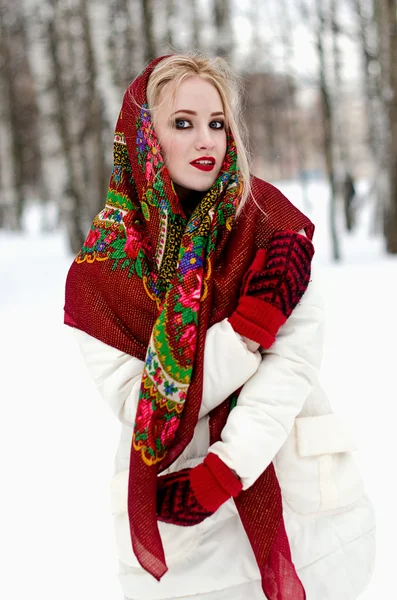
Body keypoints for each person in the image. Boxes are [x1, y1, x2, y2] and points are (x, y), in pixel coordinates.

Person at [63, 55, 371, 600]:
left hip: (305, 516)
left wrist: (225, 471)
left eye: (217, 122)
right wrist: (247, 332)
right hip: (186, 543)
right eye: (182, 122)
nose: (206, 138)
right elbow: (145, 405)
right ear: (142, 138)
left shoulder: (274, 228)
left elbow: (293, 364)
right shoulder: (100, 280)